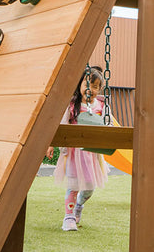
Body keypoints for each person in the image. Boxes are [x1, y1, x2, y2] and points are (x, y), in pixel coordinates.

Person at [47, 66, 109, 231]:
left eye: (95, 87)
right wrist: (52, 143)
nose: (91, 89)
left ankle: (79, 206)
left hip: (91, 155)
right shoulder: (71, 105)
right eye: (87, 84)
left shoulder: (100, 107)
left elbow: (105, 128)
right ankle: (68, 217)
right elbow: (61, 125)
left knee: (89, 188)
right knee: (73, 185)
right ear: (80, 85)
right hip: (74, 154)